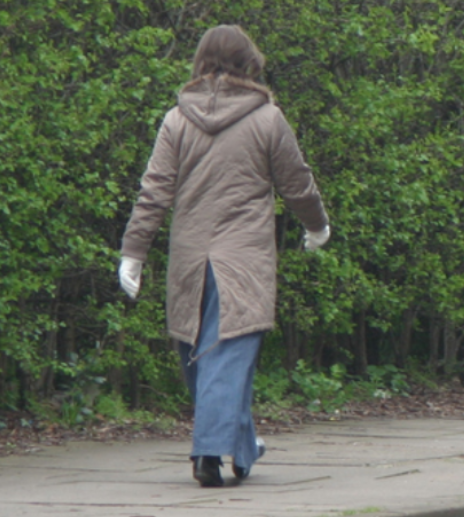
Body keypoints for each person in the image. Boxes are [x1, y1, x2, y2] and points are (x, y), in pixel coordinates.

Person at [117, 25, 330, 488]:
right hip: (244, 257)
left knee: (201, 354)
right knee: (227, 354)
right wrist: (317, 225)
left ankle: (242, 447)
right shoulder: (268, 118)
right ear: (248, 61)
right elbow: (297, 182)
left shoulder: (177, 119)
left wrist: (133, 252)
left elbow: (154, 192)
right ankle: (209, 453)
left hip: (190, 256)